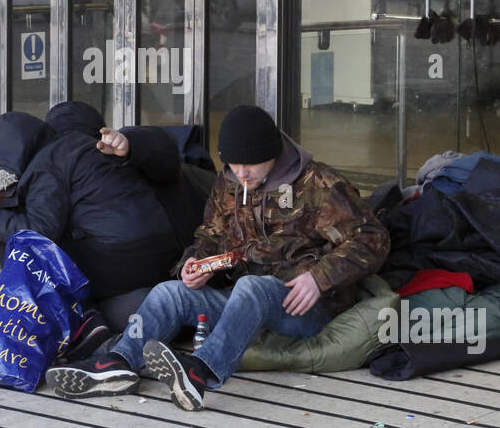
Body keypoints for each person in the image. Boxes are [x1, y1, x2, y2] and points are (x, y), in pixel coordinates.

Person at [45, 104, 391, 411]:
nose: (240, 173)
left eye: (249, 164)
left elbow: (372, 238)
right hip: (246, 301)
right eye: (233, 163)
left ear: (273, 153)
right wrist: (194, 265)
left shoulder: (318, 183)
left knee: (253, 288)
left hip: (305, 306)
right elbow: (209, 235)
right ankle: (117, 362)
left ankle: (200, 373)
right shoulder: (230, 185)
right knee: (171, 292)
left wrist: (320, 278)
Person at [0, 111, 188, 334]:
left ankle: (84, 328)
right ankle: (88, 325)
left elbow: (39, 235)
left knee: (36, 256)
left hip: (122, 257)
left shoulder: (46, 167)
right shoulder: (70, 147)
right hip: (157, 251)